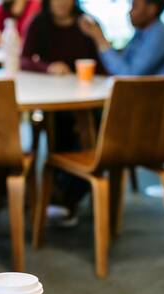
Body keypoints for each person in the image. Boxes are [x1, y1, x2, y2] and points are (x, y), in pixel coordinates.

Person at [21, 0, 106, 225]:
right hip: (51, 98)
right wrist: (47, 67)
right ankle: (60, 190)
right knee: (60, 122)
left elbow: (103, 64)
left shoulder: (87, 23)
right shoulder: (39, 23)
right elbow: (24, 59)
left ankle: (67, 194)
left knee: (87, 130)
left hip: (87, 98)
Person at [85, 0, 164, 140]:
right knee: (99, 116)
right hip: (163, 109)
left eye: (134, 6)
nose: (129, 11)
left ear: (151, 9)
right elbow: (122, 64)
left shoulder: (159, 35)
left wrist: (100, 39)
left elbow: (129, 76)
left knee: (102, 119)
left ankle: (105, 159)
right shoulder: (142, 33)